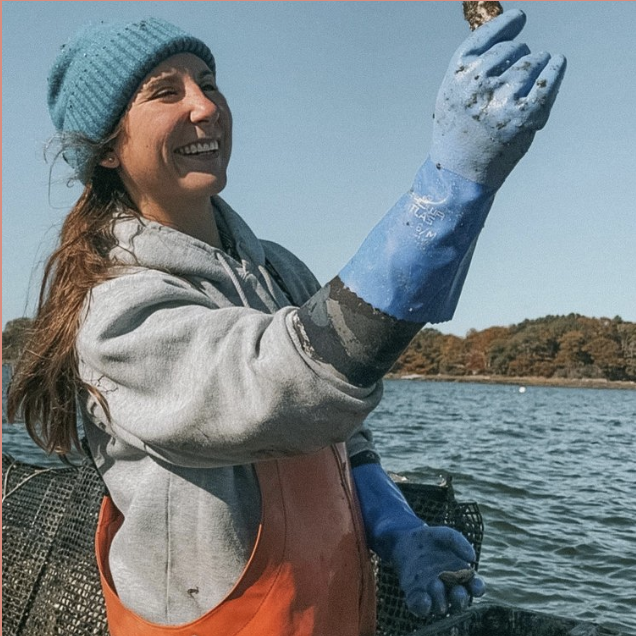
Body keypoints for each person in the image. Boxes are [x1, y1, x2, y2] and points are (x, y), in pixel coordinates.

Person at [8, 11, 565, 636]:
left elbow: (341, 438)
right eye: (167, 92)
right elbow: (291, 386)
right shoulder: (116, 310)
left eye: (209, 82)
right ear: (106, 149)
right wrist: (456, 185)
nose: (204, 106)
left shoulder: (276, 269)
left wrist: (398, 528)